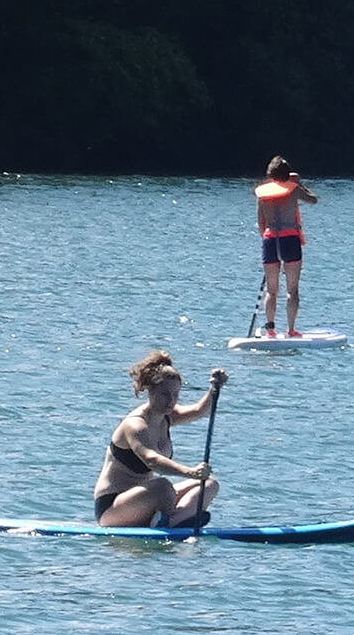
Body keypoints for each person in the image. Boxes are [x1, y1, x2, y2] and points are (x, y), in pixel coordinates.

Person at [93, 351, 225, 528]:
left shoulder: (167, 416)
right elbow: (152, 461)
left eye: (175, 395)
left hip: (148, 499)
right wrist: (191, 472)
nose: (171, 401)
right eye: (164, 394)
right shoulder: (135, 424)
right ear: (150, 391)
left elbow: (200, 411)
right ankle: (175, 520)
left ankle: (174, 521)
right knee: (163, 487)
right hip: (114, 507)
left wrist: (214, 389)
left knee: (209, 484)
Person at [256, 155, 318, 338]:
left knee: (272, 290)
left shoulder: (262, 193)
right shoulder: (294, 189)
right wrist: (300, 184)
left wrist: (268, 240)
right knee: (292, 289)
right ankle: (290, 329)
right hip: (290, 239)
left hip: (269, 240)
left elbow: (261, 223)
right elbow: (313, 200)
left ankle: (271, 330)